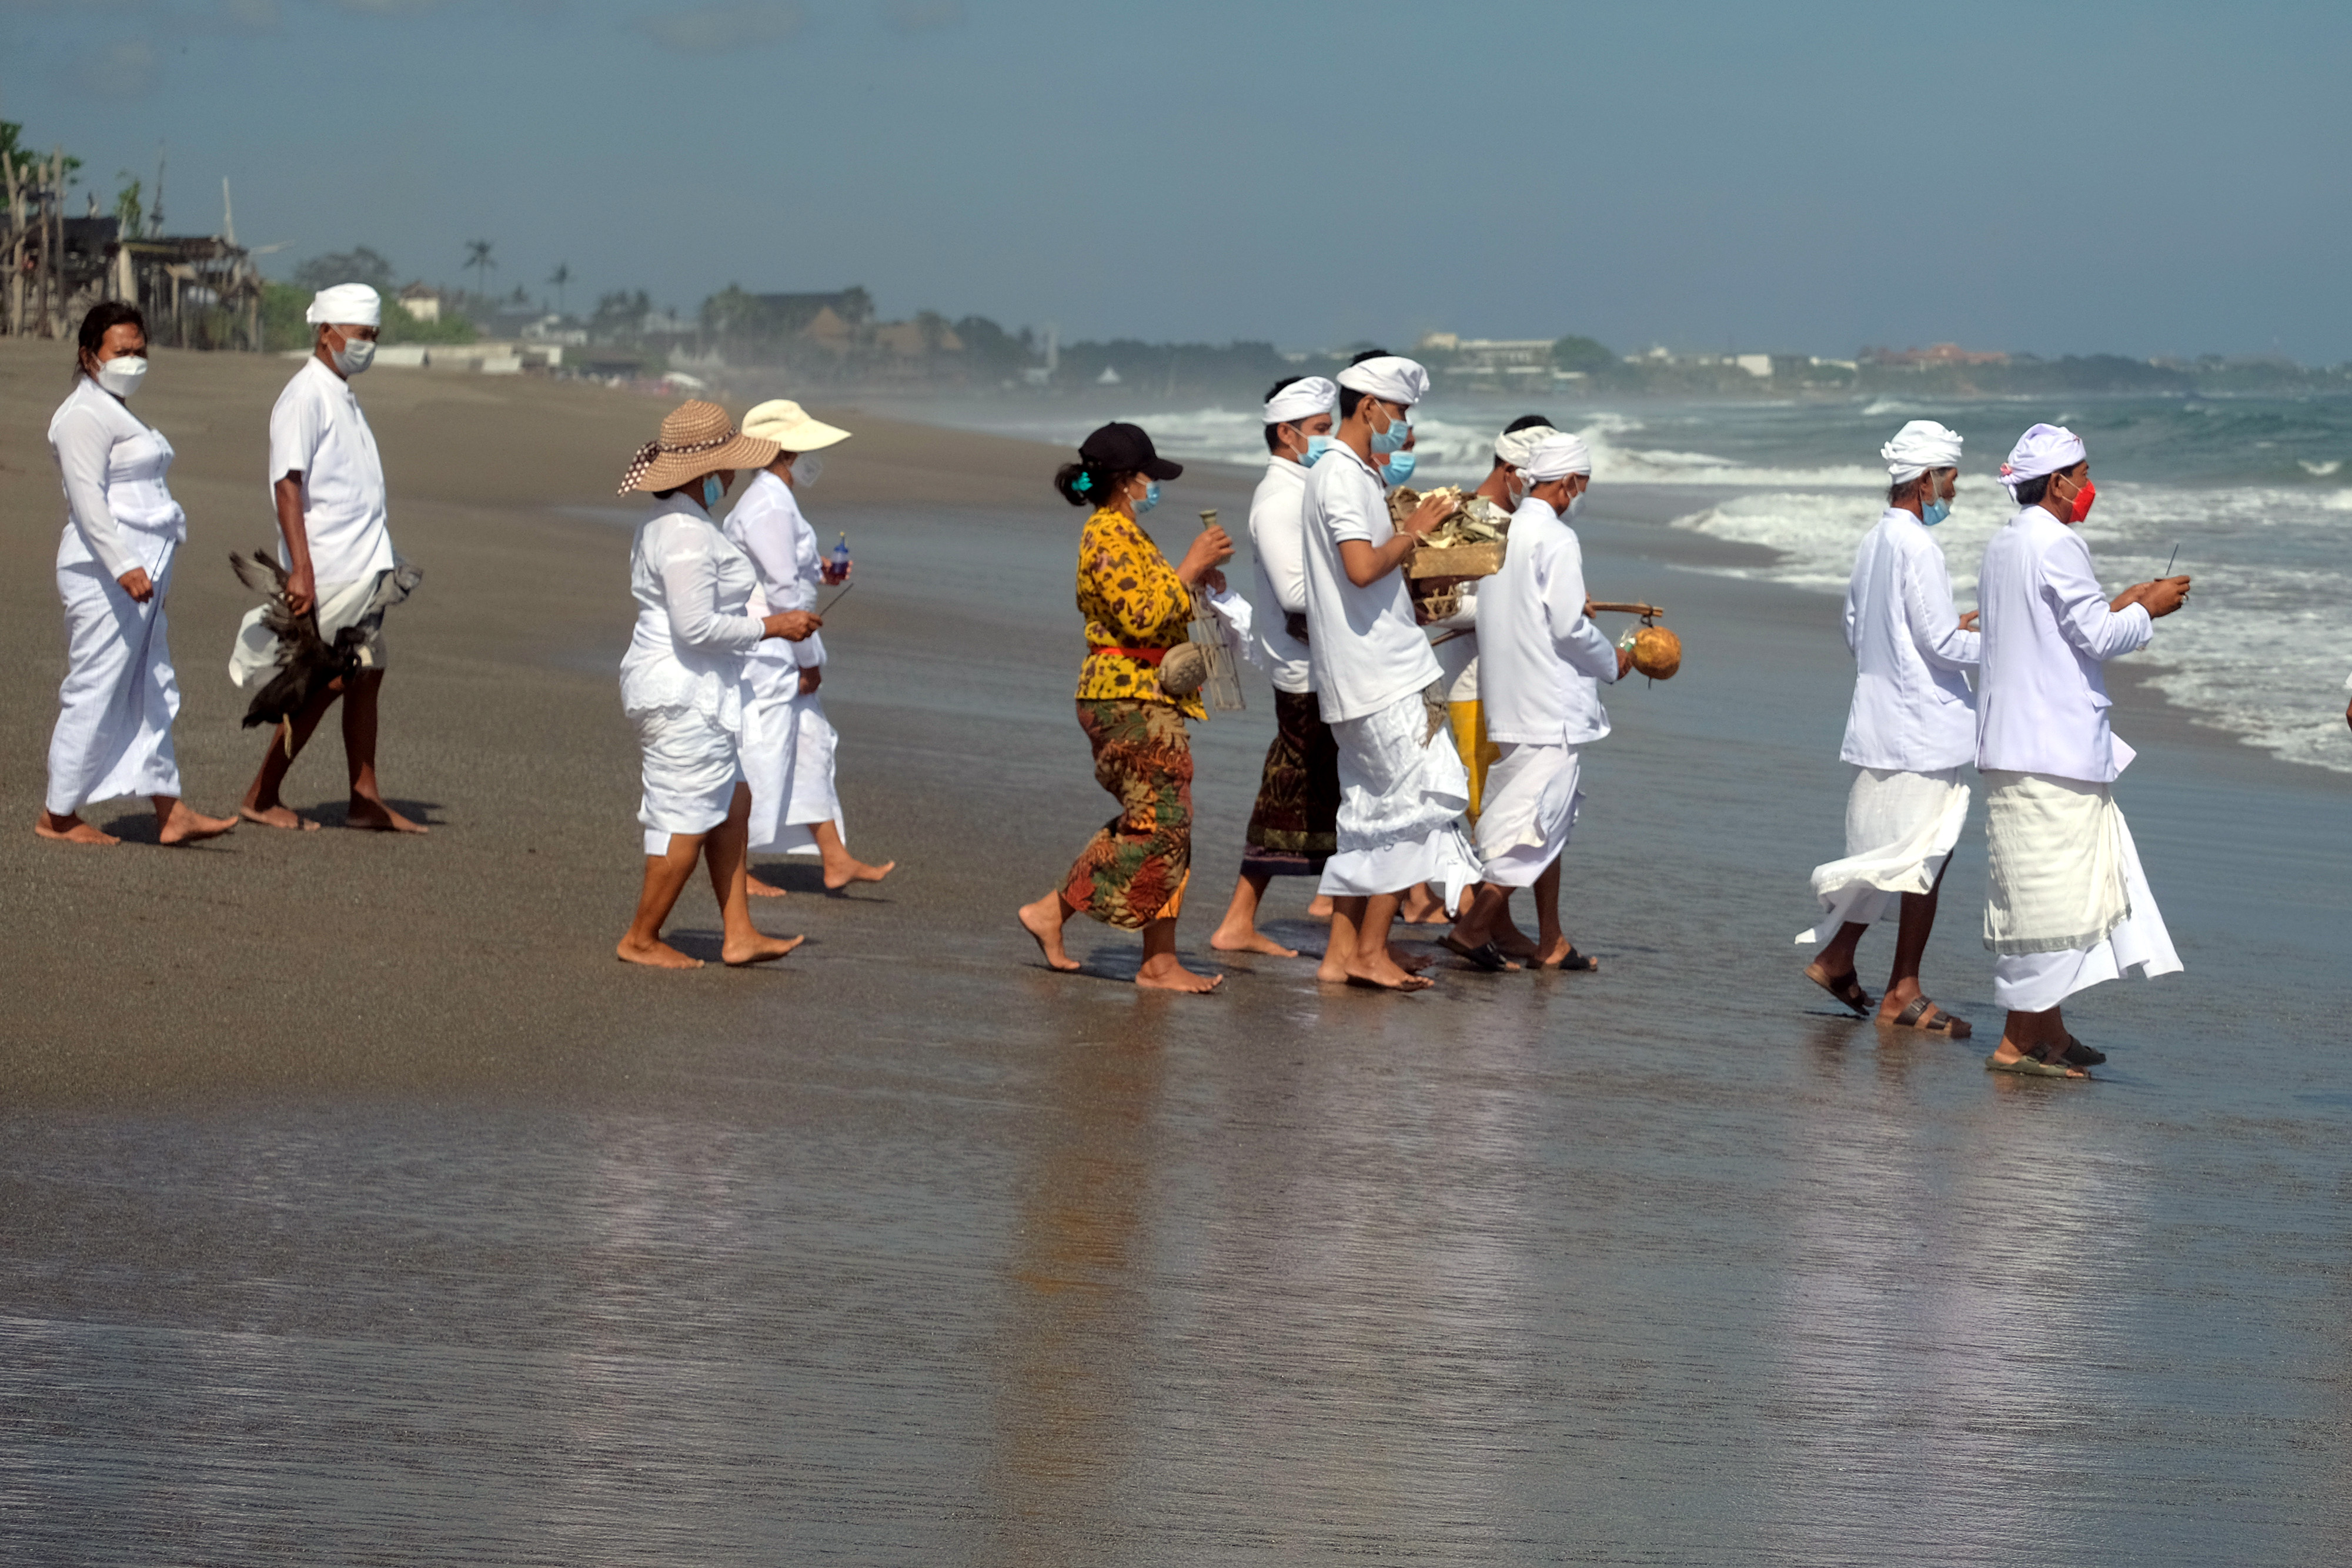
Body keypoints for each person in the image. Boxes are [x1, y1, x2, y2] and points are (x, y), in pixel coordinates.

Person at [1976, 423, 2190, 1075]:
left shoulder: (2004, 543)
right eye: (2083, 474)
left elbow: (2056, 628)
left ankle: (2049, 1033)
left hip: (2014, 740)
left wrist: (2122, 603)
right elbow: (2097, 638)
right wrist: (2149, 610)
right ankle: (2018, 1042)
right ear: (2058, 482)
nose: (2088, 486)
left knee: (2035, 889)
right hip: (2051, 749)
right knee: (2054, 894)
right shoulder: (2058, 541)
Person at [1017, 423, 1233, 992]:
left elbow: (1155, 605)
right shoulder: (1106, 535)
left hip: (1145, 695)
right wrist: (1189, 567)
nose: (1153, 487)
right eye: (1147, 476)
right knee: (1162, 823)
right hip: (1125, 698)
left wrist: (1194, 582)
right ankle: (1075, 922)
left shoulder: (1125, 532)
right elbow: (1141, 616)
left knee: (1163, 823)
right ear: (1125, 481)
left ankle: (1145, 953)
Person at [614, 401, 821, 970]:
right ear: (704, 472)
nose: (732, 476)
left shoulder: (674, 520)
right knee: (685, 816)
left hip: (690, 686)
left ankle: (739, 933)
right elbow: (695, 627)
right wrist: (774, 627)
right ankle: (641, 937)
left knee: (733, 800)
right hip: (682, 692)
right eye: (727, 465)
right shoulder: (684, 532)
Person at [1297, 355, 1475, 991]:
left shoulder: (1344, 473)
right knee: (1416, 805)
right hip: (1382, 675)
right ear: (1368, 406)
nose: (1403, 425)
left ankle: (1342, 953)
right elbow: (1362, 567)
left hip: (1365, 673)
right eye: (1399, 412)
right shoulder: (1342, 477)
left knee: (1370, 815)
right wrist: (1417, 530)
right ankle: (1370, 950)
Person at [1796, 420, 1980, 1035]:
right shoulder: (1919, 546)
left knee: (1893, 852)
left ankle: (1839, 958)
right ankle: (1903, 990)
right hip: (1921, 729)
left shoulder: (1874, 540)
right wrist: (2004, 642)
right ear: (1925, 480)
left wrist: (1920, 645)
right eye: (1950, 479)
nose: (1953, 491)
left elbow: (1857, 629)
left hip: (1880, 721)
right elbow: (1940, 643)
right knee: (1925, 856)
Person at [36, 302, 237, 847]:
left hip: (143, 574)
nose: (132, 360)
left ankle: (170, 810)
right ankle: (57, 815)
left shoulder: (116, 410)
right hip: (105, 573)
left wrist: (148, 572)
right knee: (96, 686)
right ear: (89, 357)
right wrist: (124, 565)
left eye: (139, 350)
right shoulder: (82, 415)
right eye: (120, 351)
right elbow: (87, 500)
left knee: (151, 684)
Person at [229, 283, 425, 834]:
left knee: (367, 673)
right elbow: (287, 484)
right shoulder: (305, 395)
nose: (369, 345)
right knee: (326, 680)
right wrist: (301, 568)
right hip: (330, 567)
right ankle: (262, 794)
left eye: (374, 336)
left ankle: (364, 798)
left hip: (363, 562)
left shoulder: (339, 392)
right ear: (327, 333)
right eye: (362, 335)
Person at [1443, 432, 1629, 971]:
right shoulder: (1557, 538)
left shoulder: (1507, 531)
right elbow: (1568, 627)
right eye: (1582, 484)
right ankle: (1474, 927)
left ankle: (1551, 940)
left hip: (1509, 702)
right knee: (1538, 821)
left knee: (1532, 815)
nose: (1581, 494)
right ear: (1568, 482)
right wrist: (1613, 661)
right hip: (1550, 706)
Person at [725, 399, 895, 896]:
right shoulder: (770, 504)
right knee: (763, 751)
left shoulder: (773, 499)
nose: (811, 459)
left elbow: (782, 568)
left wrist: (819, 568)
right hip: (770, 647)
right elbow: (781, 590)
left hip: (778, 643)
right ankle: (735, 867)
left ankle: (835, 857)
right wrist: (810, 660)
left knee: (808, 745)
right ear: (785, 452)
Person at [1404, 414, 1560, 945]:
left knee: (1518, 808)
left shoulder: (1525, 521)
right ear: (1511, 469)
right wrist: (1520, 609)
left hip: (1517, 690)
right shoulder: (1468, 517)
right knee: (1486, 810)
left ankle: (1498, 923)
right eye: (1537, 477)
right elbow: (1438, 607)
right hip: (1472, 689)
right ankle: (1488, 923)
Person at [1210, 375, 1342, 957]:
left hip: (1318, 666)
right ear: (1287, 434)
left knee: (1302, 792)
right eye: (1320, 429)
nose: (1329, 437)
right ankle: (1352, 937)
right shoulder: (1281, 499)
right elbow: (1295, 593)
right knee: (1312, 791)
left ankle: (1246, 920)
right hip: (1306, 672)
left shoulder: (1302, 489)